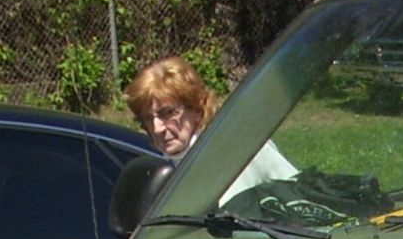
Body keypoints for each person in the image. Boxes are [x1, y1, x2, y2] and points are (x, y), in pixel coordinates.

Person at [123, 54, 296, 200]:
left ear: (197, 110)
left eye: (168, 113)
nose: (158, 128)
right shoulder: (160, 172)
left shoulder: (242, 147)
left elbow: (300, 198)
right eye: (148, 118)